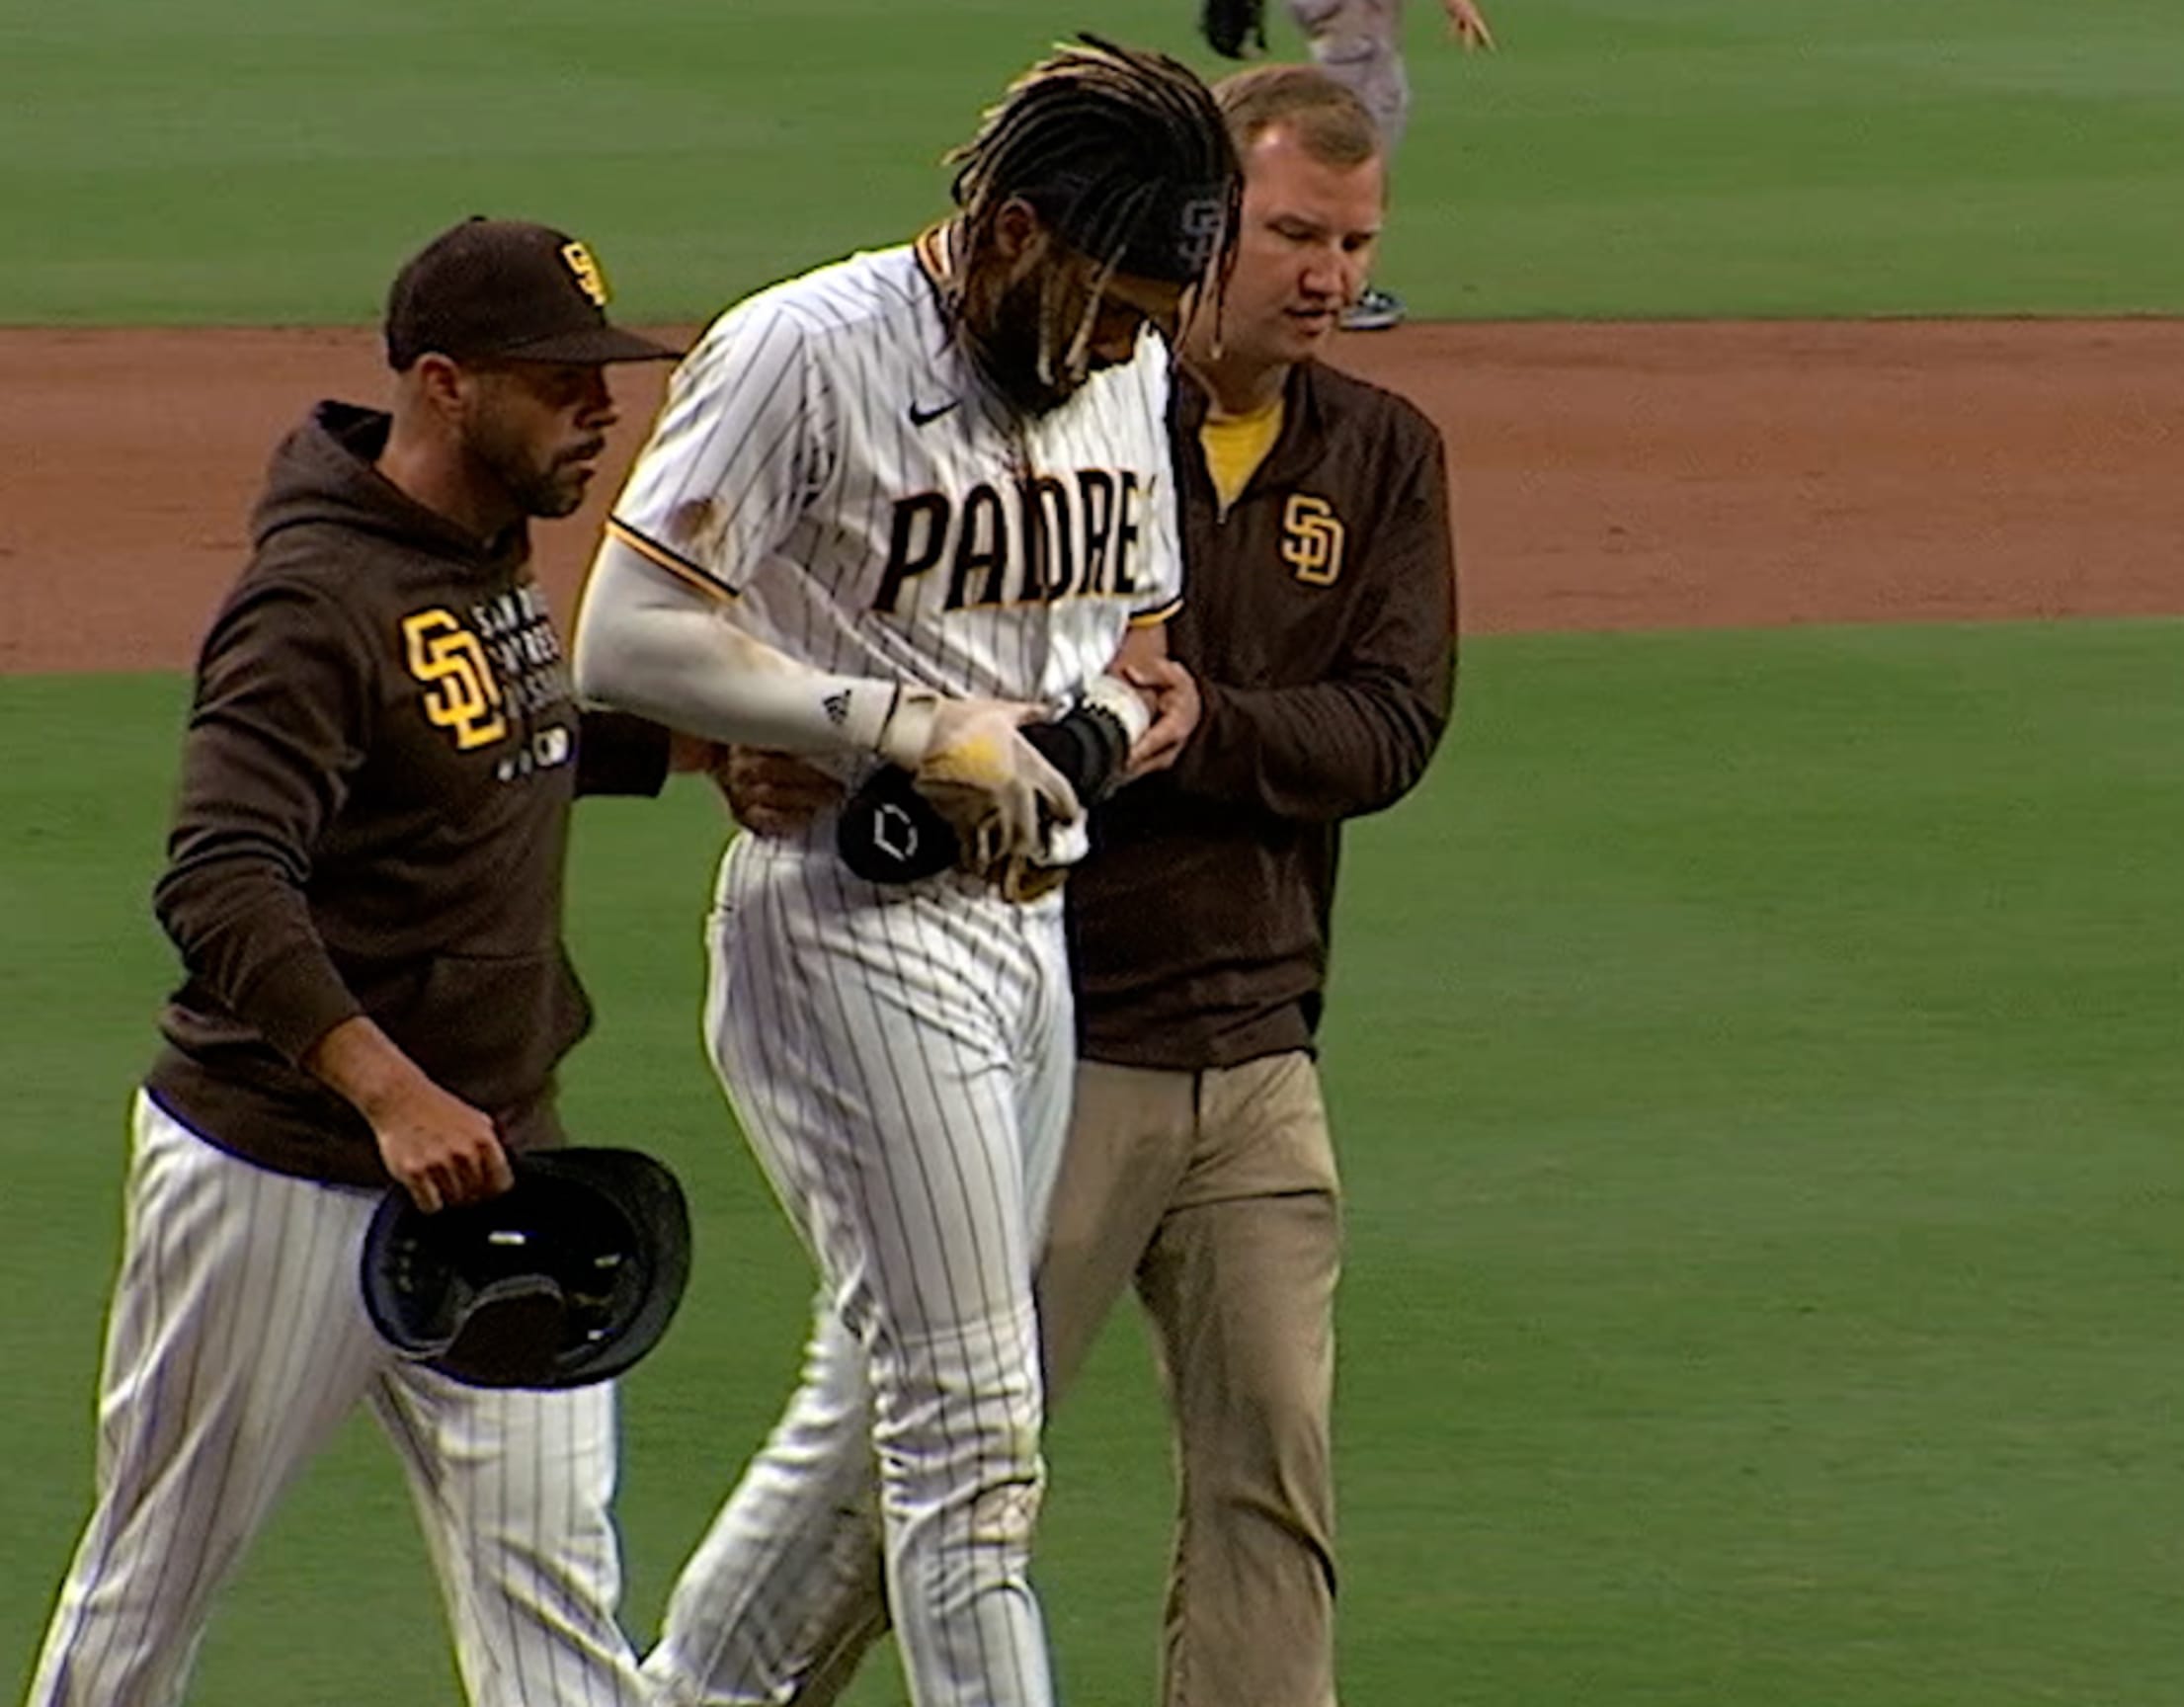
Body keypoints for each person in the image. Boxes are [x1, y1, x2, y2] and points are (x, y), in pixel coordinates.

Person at [672, 60, 1461, 1707]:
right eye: (1293, 232)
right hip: (1047, 1029)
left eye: (1355, 240)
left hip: (1255, 1046)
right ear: (1194, 226)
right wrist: (801, 748)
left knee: (1270, 1488)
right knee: (928, 1458)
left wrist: (1192, 724)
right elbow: (829, 630)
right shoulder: (1063, 387)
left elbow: (1392, 724)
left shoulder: (1380, 451)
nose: (1326, 273)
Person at [564, 37, 1238, 1707]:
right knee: (973, 1430)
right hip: (843, 928)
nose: (1129, 347)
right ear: (1009, 231)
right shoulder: (801, 349)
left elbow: (1133, 658)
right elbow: (622, 637)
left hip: (1029, 932)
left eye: (1152, 315)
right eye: (1109, 304)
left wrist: (1065, 743)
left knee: (884, 1394)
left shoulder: (1128, 375)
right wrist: (901, 728)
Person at [21, 215, 688, 1707]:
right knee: (152, 1586)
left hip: (505, 1172)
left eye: (607, 377)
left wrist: (700, 748)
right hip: (285, 1178)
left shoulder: (483, 554)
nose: (604, 408)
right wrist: (389, 1092)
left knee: (560, 1617)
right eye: (561, 381)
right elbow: (219, 879)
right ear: (446, 386)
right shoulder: (312, 604)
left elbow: (485, 738)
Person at [1279, 0, 1496, 330]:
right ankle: (1340, 291)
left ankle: (1320, 281)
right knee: (1352, 158)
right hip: (1354, 33)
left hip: (1336, 26)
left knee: (1346, 144)